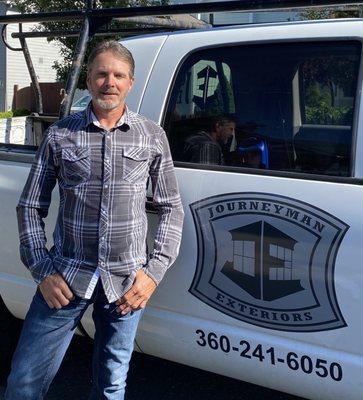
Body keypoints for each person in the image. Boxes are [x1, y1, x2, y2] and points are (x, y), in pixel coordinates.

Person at [5, 40, 184, 400]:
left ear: (130, 83)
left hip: (127, 282)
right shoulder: (61, 134)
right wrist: (42, 268)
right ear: (89, 80)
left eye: (118, 75)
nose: (109, 82)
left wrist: (153, 275)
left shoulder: (152, 136)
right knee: (23, 384)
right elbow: (29, 206)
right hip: (66, 277)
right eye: (101, 74)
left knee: (111, 384)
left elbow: (171, 208)